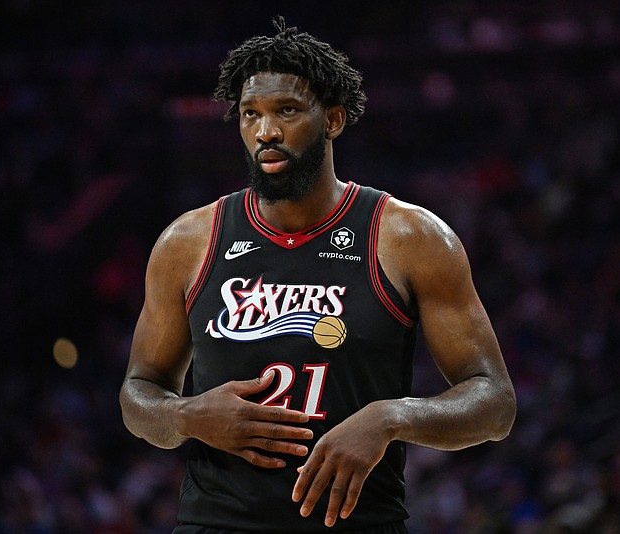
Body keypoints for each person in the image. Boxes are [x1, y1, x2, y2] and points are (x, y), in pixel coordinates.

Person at [119, 17, 516, 534]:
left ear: (333, 120)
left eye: (286, 110)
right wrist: (185, 417)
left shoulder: (408, 237)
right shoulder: (188, 242)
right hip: (214, 524)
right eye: (250, 114)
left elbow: (494, 403)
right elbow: (137, 393)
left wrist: (391, 418)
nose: (266, 132)